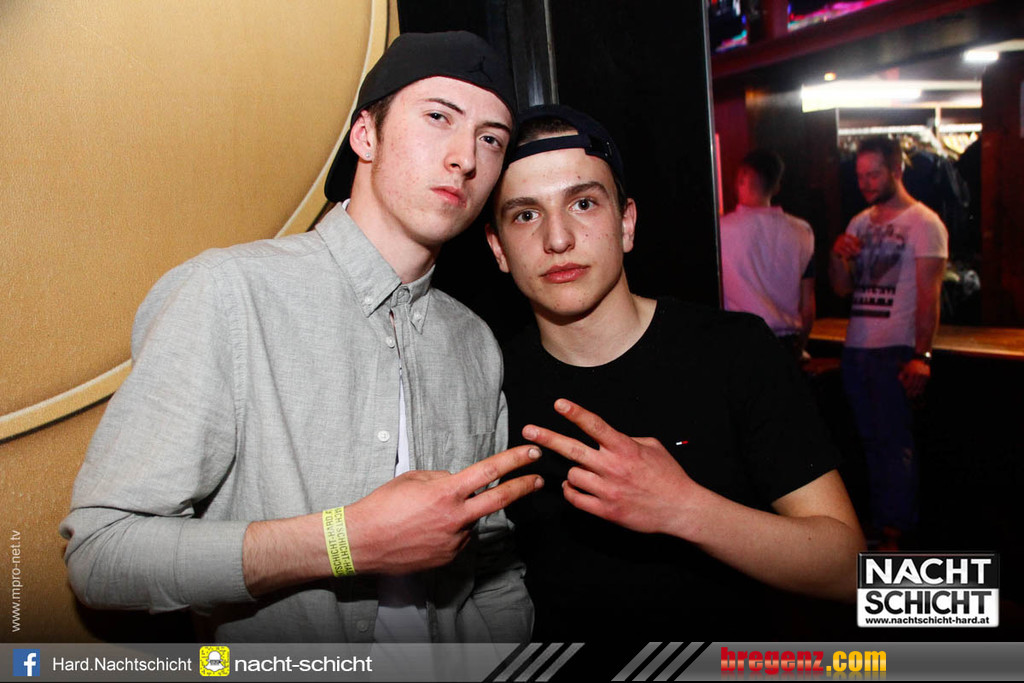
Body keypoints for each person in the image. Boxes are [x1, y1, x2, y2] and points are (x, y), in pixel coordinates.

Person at [60, 31, 544, 643]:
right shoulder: (229, 293)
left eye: (490, 139)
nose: (464, 158)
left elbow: (492, 560)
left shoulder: (474, 342)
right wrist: (346, 542)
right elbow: (102, 555)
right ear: (365, 135)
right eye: (437, 117)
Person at [484, 104, 865, 640]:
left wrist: (685, 509)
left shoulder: (733, 350)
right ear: (498, 249)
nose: (558, 238)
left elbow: (849, 570)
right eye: (526, 215)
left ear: (626, 224)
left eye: (584, 203)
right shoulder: (486, 381)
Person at [829, 136, 947, 552]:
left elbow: (929, 296)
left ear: (897, 170)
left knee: (894, 444)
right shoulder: (859, 222)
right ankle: (877, 528)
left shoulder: (925, 223)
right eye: (860, 175)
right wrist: (837, 256)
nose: (864, 182)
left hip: (895, 348)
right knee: (867, 443)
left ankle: (895, 535)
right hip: (857, 347)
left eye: (873, 174)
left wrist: (921, 354)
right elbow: (842, 289)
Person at [720, 149, 816, 361]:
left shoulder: (720, 231)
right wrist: (799, 348)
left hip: (740, 342)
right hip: (786, 343)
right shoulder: (802, 231)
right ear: (777, 185)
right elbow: (808, 305)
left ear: (741, 178)